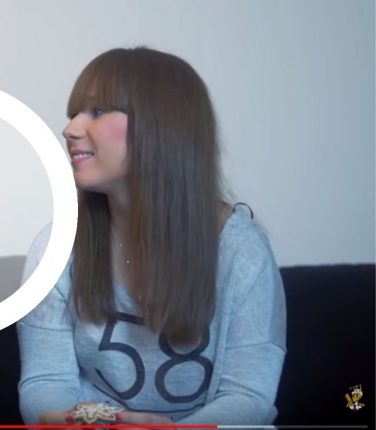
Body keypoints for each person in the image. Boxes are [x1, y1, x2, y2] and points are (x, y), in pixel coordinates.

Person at [16, 47, 287, 426]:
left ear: (159, 128)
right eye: (74, 114)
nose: (70, 129)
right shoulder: (55, 248)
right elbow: (46, 382)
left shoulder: (241, 251)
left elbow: (248, 396)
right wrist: (63, 420)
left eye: (97, 111)